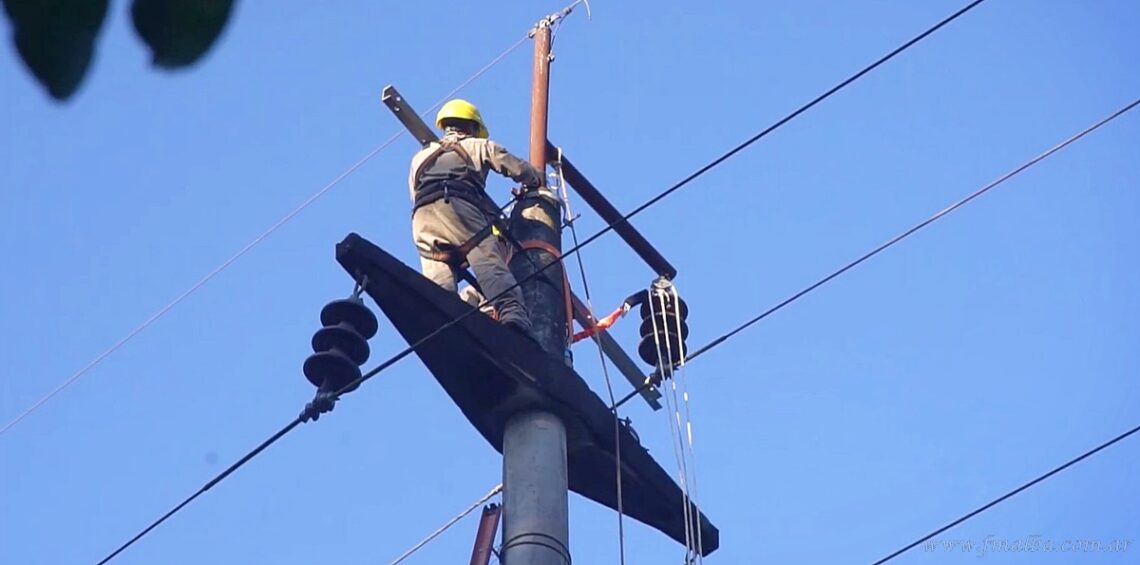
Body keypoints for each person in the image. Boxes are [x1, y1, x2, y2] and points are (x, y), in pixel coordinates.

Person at [408, 98, 543, 338]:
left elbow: (415, 192)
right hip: (458, 209)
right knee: (489, 265)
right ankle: (514, 317)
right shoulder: (477, 146)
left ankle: (442, 327)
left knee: (438, 283)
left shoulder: (421, 156)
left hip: (422, 221)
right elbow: (514, 167)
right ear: (471, 127)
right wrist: (536, 180)